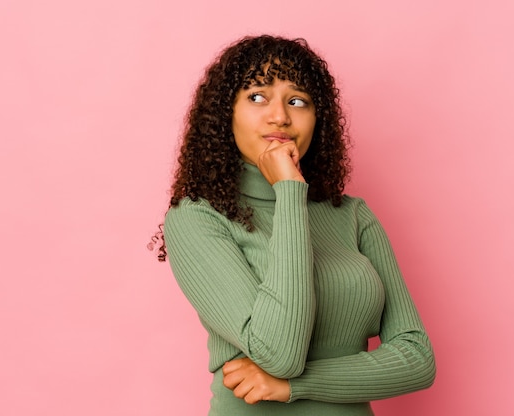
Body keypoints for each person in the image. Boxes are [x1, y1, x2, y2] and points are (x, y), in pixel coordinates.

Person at [153, 34, 436, 415]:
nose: (280, 116)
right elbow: (278, 353)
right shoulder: (197, 217)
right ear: (226, 113)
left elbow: (417, 359)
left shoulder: (351, 214)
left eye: (297, 101)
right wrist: (288, 191)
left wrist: (293, 387)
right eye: (257, 96)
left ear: (318, 119)